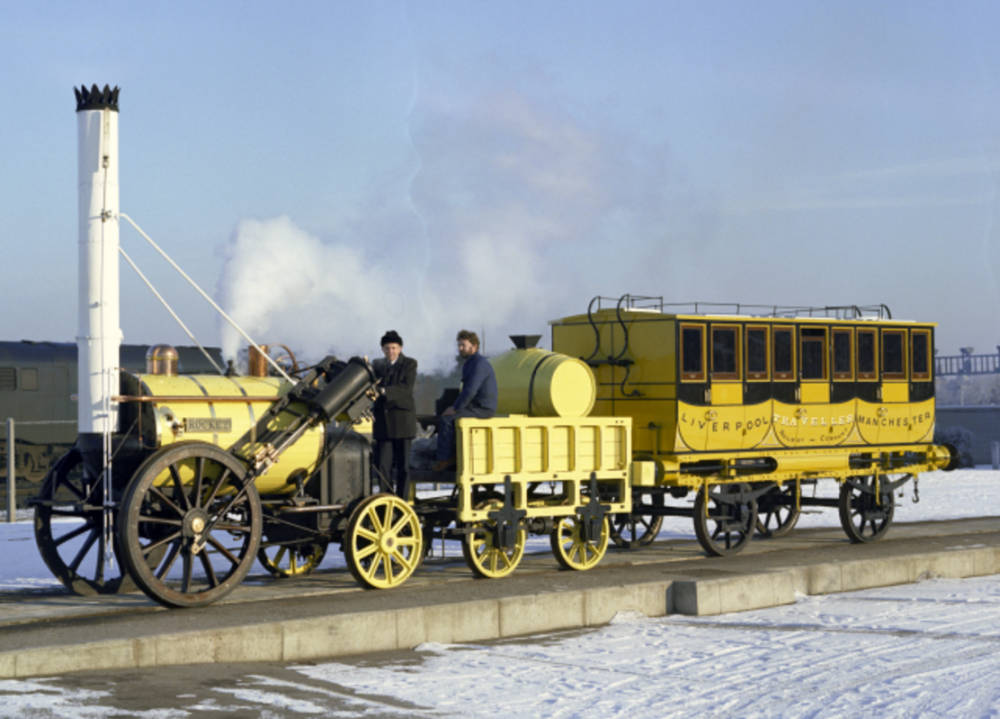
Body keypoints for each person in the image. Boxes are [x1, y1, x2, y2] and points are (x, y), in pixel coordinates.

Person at [432, 330, 497, 471]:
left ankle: (445, 459)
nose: (460, 348)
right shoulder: (470, 363)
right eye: (459, 345)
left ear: (474, 346)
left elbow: (470, 390)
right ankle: (452, 455)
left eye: (463, 345)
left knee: (447, 419)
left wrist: (455, 408)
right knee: (445, 415)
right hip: (476, 406)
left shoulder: (479, 364)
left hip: (483, 408)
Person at [371, 330, 418, 498]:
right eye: (387, 348)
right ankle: (386, 501)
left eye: (393, 348)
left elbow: (406, 389)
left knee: (403, 467)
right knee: (383, 467)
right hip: (383, 425)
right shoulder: (378, 365)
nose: (390, 352)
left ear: (400, 348)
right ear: (382, 349)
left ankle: (402, 503)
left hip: (402, 424)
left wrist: (383, 391)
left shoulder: (410, 364)